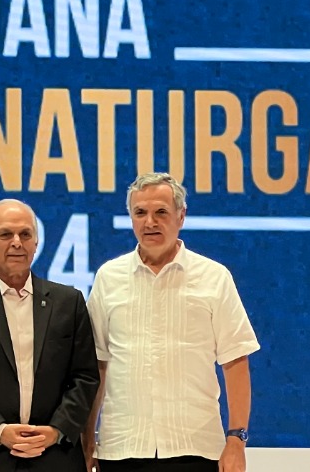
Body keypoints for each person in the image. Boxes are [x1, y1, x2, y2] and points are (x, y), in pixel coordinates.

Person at [84, 172, 260, 472]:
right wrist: (88, 439)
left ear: (181, 216)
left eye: (161, 212)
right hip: (122, 449)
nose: (149, 222)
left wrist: (236, 439)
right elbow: (98, 365)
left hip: (195, 448)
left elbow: (235, 361)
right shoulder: (108, 277)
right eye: (140, 212)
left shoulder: (214, 277)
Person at [0, 199, 100, 471]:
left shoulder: (69, 302)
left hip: (55, 456)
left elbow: (85, 377)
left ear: (36, 243)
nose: (17, 242)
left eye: (25, 234)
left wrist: (57, 430)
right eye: (6, 234)